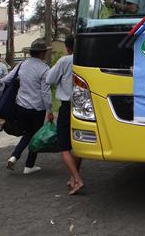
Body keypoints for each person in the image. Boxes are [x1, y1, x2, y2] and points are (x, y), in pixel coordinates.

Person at [0, 38, 54, 175]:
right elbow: (45, 92)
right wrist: (49, 110)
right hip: (37, 108)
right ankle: (29, 165)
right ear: (42, 53)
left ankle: (14, 156)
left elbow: (8, 78)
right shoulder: (44, 68)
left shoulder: (22, 64)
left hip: (21, 105)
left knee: (28, 133)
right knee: (35, 135)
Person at [46, 35, 84, 195]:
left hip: (67, 107)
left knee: (64, 147)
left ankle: (78, 179)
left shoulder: (64, 61)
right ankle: (73, 177)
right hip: (84, 107)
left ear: (67, 48)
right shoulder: (87, 59)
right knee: (79, 144)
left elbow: (49, 79)